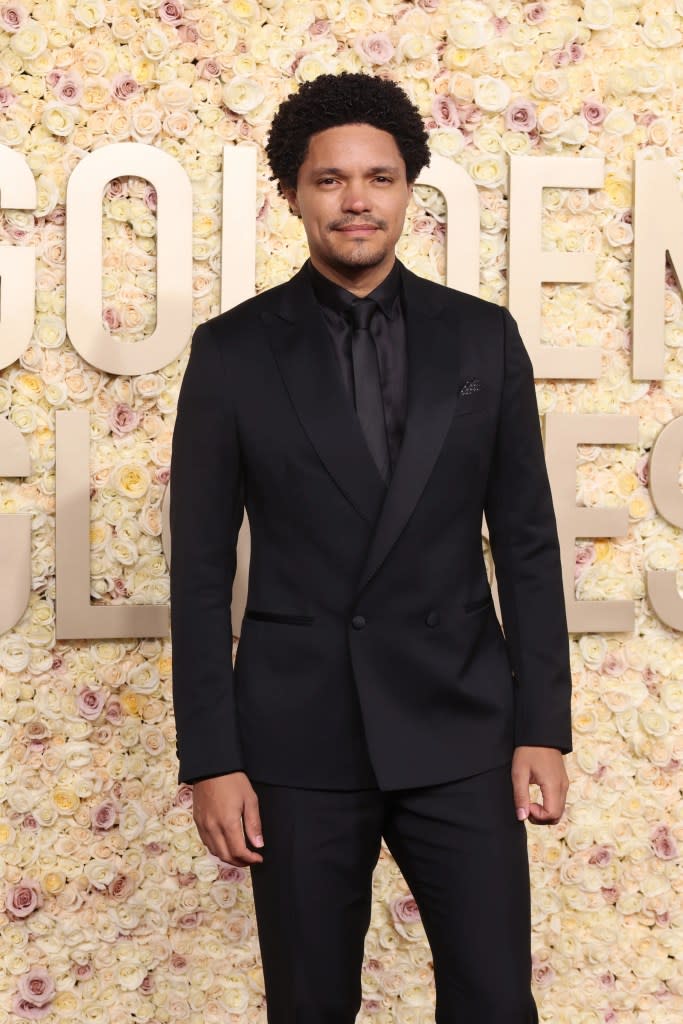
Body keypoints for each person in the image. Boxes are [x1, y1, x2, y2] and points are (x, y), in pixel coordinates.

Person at [169, 71, 572, 1024]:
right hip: (297, 741)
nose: (357, 201)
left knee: (493, 1003)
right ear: (293, 194)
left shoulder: (482, 339)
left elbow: (526, 543)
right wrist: (210, 759)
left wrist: (541, 726)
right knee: (308, 1008)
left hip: (462, 729)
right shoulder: (230, 351)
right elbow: (196, 570)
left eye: (379, 178)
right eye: (331, 181)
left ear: (408, 190)